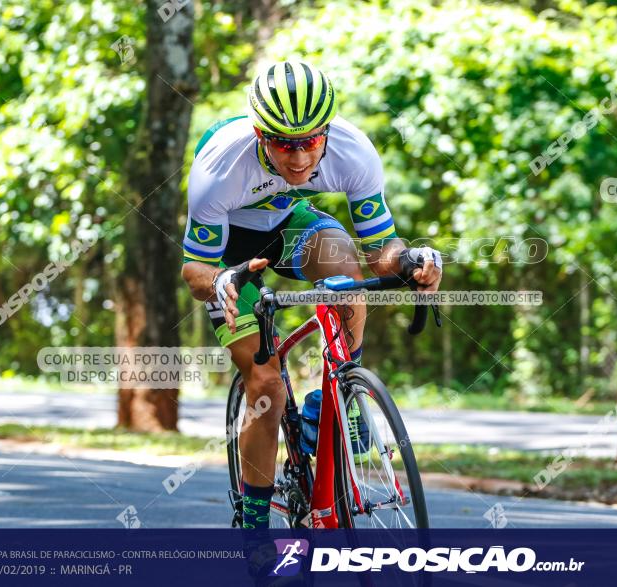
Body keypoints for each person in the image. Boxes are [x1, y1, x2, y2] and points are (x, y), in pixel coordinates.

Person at [180, 60, 443, 529]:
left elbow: (381, 249)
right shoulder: (220, 164)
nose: (299, 158)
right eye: (283, 143)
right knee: (267, 386)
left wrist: (410, 262)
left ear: (326, 131)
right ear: (260, 133)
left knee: (345, 267)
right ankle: (257, 531)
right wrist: (221, 281)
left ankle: (341, 393)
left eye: (310, 142)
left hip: (287, 228)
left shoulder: (354, 152)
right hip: (228, 257)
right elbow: (194, 268)